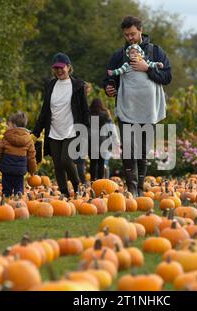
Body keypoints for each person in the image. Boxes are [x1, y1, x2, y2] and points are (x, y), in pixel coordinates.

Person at [103, 15, 172, 198]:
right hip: (126, 109)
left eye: (133, 34)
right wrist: (109, 87)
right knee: (129, 149)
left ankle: (140, 187)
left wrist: (147, 68)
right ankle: (132, 188)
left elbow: (167, 77)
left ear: (140, 31)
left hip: (150, 111)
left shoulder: (156, 52)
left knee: (143, 150)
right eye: (127, 35)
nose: (130, 38)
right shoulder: (119, 55)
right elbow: (109, 78)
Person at [32, 52, 90, 197]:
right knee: (57, 164)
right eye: (56, 68)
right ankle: (64, 192)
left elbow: (84, 110)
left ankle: (77, 186)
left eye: (61, 68)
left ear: (68, 67)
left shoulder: (78, 86)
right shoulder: (51, 85)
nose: (59, 71)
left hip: (71, 130)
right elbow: (44, 111)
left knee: (66, 160)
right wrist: (36, 132)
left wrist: (87, 130)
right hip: (54, 131)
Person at [0, 111, 37, 197]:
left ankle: (5, 203)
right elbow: (31, 157)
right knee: (19, 189)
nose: (7, 127)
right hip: (19, 171)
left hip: (7, 170)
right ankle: (19, 202)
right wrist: (32, 171)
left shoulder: (5, 138)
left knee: (6, 190)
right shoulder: (28, 140)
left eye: (8, 125)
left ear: (14, 125)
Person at [88, 98, 120, 181]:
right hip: (103, 140)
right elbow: (111, 128)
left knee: (93, 162)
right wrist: (116, 141)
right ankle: (100, 180)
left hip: (91, 141)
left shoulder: (89, 113)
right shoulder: (105, 114)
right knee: (101, 163)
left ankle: (92, 180)